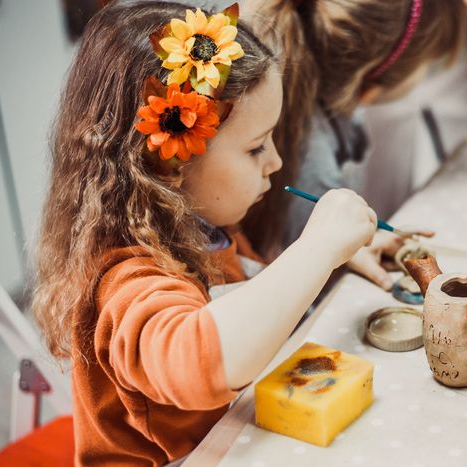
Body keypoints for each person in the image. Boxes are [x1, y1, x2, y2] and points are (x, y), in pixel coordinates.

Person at [32, 2, 376, 465]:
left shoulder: (208, 229)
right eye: (256, 147)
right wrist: (316, 250)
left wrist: (339, 254)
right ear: (169, 163)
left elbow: (250, 301)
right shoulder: (125, 281)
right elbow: (203, 360)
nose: (274, 162)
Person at [243, 0, 465, 290]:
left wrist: (351, 246)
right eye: (429, 63)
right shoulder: (312, 162)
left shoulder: (313, 114)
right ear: (373, 84)